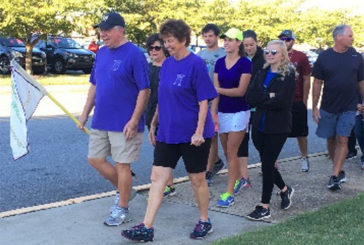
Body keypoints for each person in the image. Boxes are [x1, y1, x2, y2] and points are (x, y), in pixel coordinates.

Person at [122, 19, 218, 242]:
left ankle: (205, 220)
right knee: (158, 178)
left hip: (193, 134)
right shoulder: (166, 65)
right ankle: (147, 227)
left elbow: (204, 101)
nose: (167, 45)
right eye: (164, 41)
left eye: (170, 41)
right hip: (168, 132)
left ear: (183, 39)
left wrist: (199, 132)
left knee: (197, 180)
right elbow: (162, 99)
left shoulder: (196, 64)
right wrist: (154, 123)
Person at [78, 12, 150, 226]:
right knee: (95, 159)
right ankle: (125, 190)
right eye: (101, 30)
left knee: (122, 165)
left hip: (124, 122)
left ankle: (122, 207)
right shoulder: (101, 53)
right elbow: (94, 85)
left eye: (107, 30)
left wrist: (134, 119)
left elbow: (144, 90)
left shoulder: (135, 54)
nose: (103, 34)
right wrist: (84, 114)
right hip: (101, 118)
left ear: (120, 30)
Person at [246, 40, 296, 220]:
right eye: (267, 51)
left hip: (278, 126)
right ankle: (284, 189)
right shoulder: (261, 72)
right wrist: (268, 97)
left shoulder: (288, 74)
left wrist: (263, 98)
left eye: (274, 52)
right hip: (259, 124)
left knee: (267, 164)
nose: (269, 54)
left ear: (282, 54)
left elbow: (282, 101)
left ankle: (264, 206)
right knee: (266, 162)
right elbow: (250, 97)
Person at [312, 24, 364, 191]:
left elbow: (361, 81)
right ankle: (339, 169)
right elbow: (317, 83)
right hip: (328, 107)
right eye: (350, 35)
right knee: (331, 139)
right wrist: (314, 107)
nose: (353, 38)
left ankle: (334, 175)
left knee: (343, 139)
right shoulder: (324, 57)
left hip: (349, 106)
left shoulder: (357, 56)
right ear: (338, 37)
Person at [211, 28, 251, 207]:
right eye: (225, 39)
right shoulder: (219, 62)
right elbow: (215, 93)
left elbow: (240, 91)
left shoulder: (245, 63)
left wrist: (218, 90)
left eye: (231, 39)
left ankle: (229, 192)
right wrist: (213, 113)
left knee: (232, 151)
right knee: (228, 153)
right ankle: (239, 179)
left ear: (239, 43)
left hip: (239, 112)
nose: (226, 42)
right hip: (223, 112)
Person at [144, 33, 174, 198]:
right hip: (150, 113)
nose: (153, 51)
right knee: (159, 148)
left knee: (163, 151)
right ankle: (167, 182)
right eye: (150, 48)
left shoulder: (169, 66)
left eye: (157, 47)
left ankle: (167, 184)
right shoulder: (148, 67)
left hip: (166, 114)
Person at [197, 23, 226, 185]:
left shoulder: (223, 54)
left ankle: (208, 170)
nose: (208, 39)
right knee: (206, 135)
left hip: (220, 100)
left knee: (213, 137)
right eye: (205, 36)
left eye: (210, 36)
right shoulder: (200, 55)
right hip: (203, 101)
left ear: (217, 36)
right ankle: (215, 162)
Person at [279, 30, 311, 172]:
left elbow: (306, 78)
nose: (285, 41)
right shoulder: (274, 55)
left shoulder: (301, 56)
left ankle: (304, 157)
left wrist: (304, 100)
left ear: (293, 40)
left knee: (301, 132)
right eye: (282, 39)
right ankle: (272, 162)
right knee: (277, 133)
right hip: (280, 102)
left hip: (296, 100)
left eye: (287, 39)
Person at [237, 29, 265, 184]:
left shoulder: (265, 57)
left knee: (261, 139)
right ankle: (244, 175)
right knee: (242, 140)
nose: (248, 48)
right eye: (246, 45)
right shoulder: (240, 58)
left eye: (251, 44)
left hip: (260, 105)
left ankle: (269, 165)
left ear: (257, 43)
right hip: (243, 105)